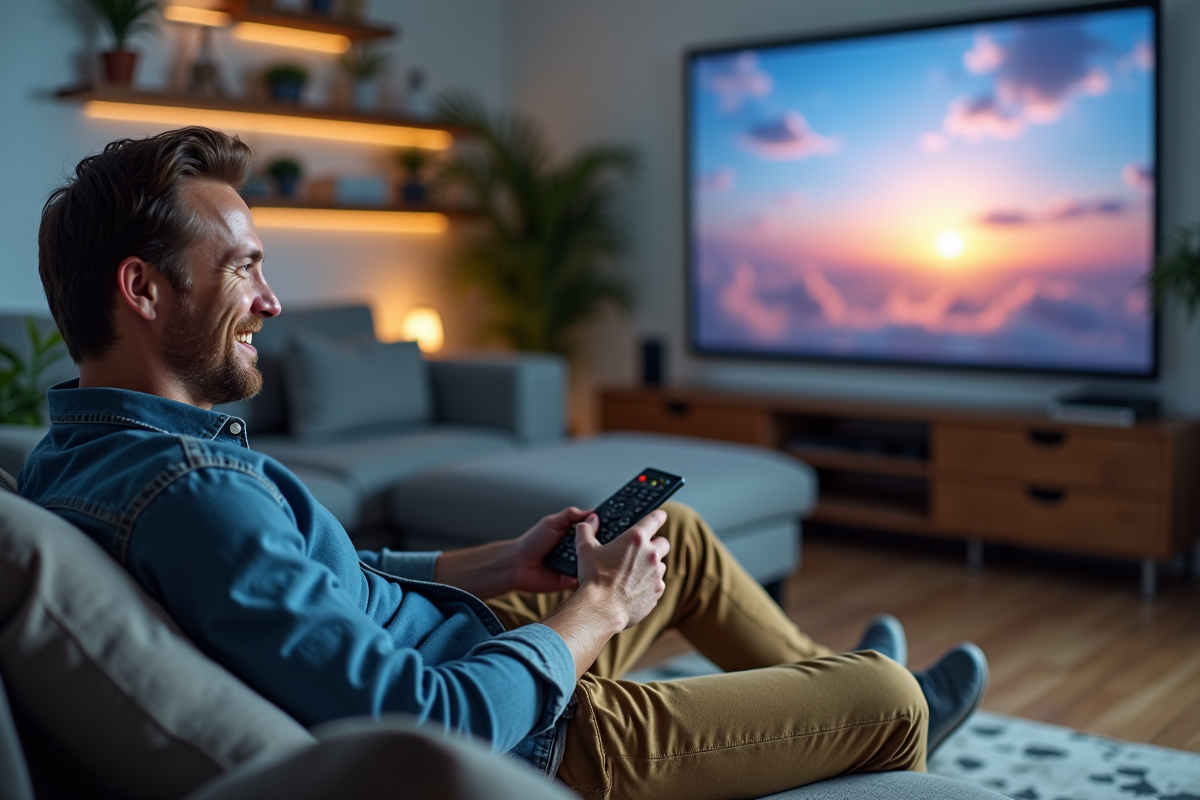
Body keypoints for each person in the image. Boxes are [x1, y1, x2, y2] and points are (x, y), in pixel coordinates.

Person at [19, 127, 987, 800]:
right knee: (887, 695)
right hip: (537, 735)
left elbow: (327, 584)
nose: (272, 300)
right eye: (245, 267)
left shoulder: (76, 455)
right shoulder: (190, 497)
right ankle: (868, 709)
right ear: (143, 288)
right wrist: (594, 611)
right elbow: (426, 721)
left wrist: (496, 561)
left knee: (672, 535)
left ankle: (821, 691)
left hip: (467, 639)